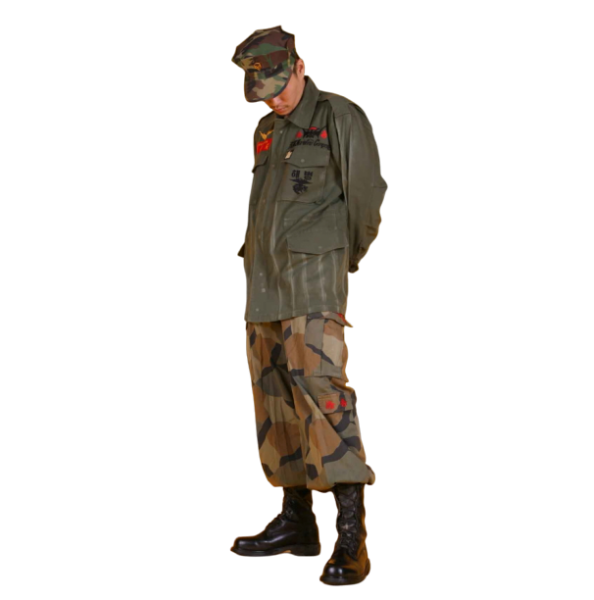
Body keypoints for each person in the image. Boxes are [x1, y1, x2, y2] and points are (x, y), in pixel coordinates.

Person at [229, 24, 388, 587]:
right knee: (273, 403)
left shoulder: (339, 116)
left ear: (299, 66)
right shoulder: (265, 129)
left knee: (323, 396)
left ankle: (351, 535)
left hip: (312, 286)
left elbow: (365, 201)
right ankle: (297, 521)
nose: (273, 98)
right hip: (262, 288)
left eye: (278, 86)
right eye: (262, 91)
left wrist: (334, 264)